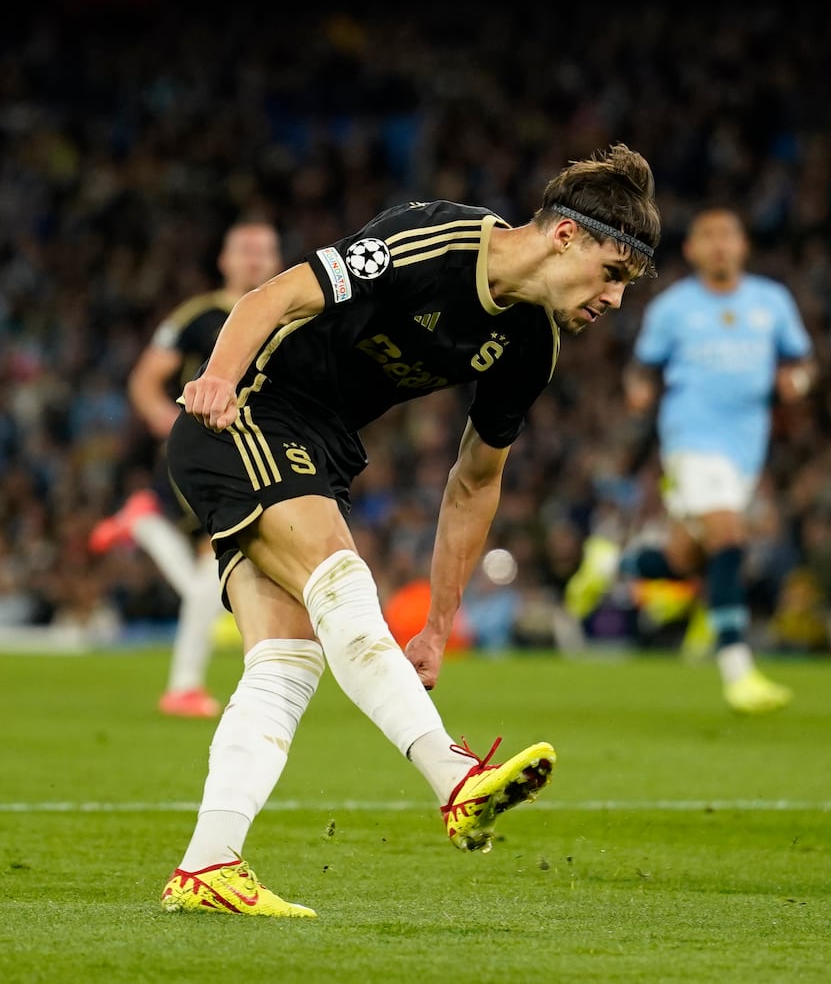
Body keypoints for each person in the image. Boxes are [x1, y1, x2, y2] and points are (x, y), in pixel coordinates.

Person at [158, 143, 662, 917]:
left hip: (320, 452)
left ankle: (208, 866)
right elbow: (277, 294)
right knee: (342, 579)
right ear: (566, 237)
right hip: (250, 414)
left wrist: (437, 625)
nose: (615, 301)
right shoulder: (435, 239)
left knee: (288, 660)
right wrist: (220, 375)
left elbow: (475, 480)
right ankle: (453, 776)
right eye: (613, 274)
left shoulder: (531, 343)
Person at [564, 207, 815, 714]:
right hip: (690, 441)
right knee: (729, 539)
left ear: (743, 246)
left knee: (687, 561)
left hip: (746, 450)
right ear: (692, 250)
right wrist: (637, 392)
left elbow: (803, 361)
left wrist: (798, 382)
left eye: (729, 235)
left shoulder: (772, 301)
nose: (720, 245)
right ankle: (738, 671)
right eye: (709, 237)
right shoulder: (674, 309)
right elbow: (642, 369)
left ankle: (612, 562)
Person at [90, 221, 283, 718]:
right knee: (213, 567)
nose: (255, 260)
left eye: (264, 251)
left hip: (253, 455)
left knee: (214, 571)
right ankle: (184, 686)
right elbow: (146, 378)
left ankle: (144, 524)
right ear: (224, 259)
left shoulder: (285, 311)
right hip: (204, 455)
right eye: (244, 249)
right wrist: (169, 421)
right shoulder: (200, 317)